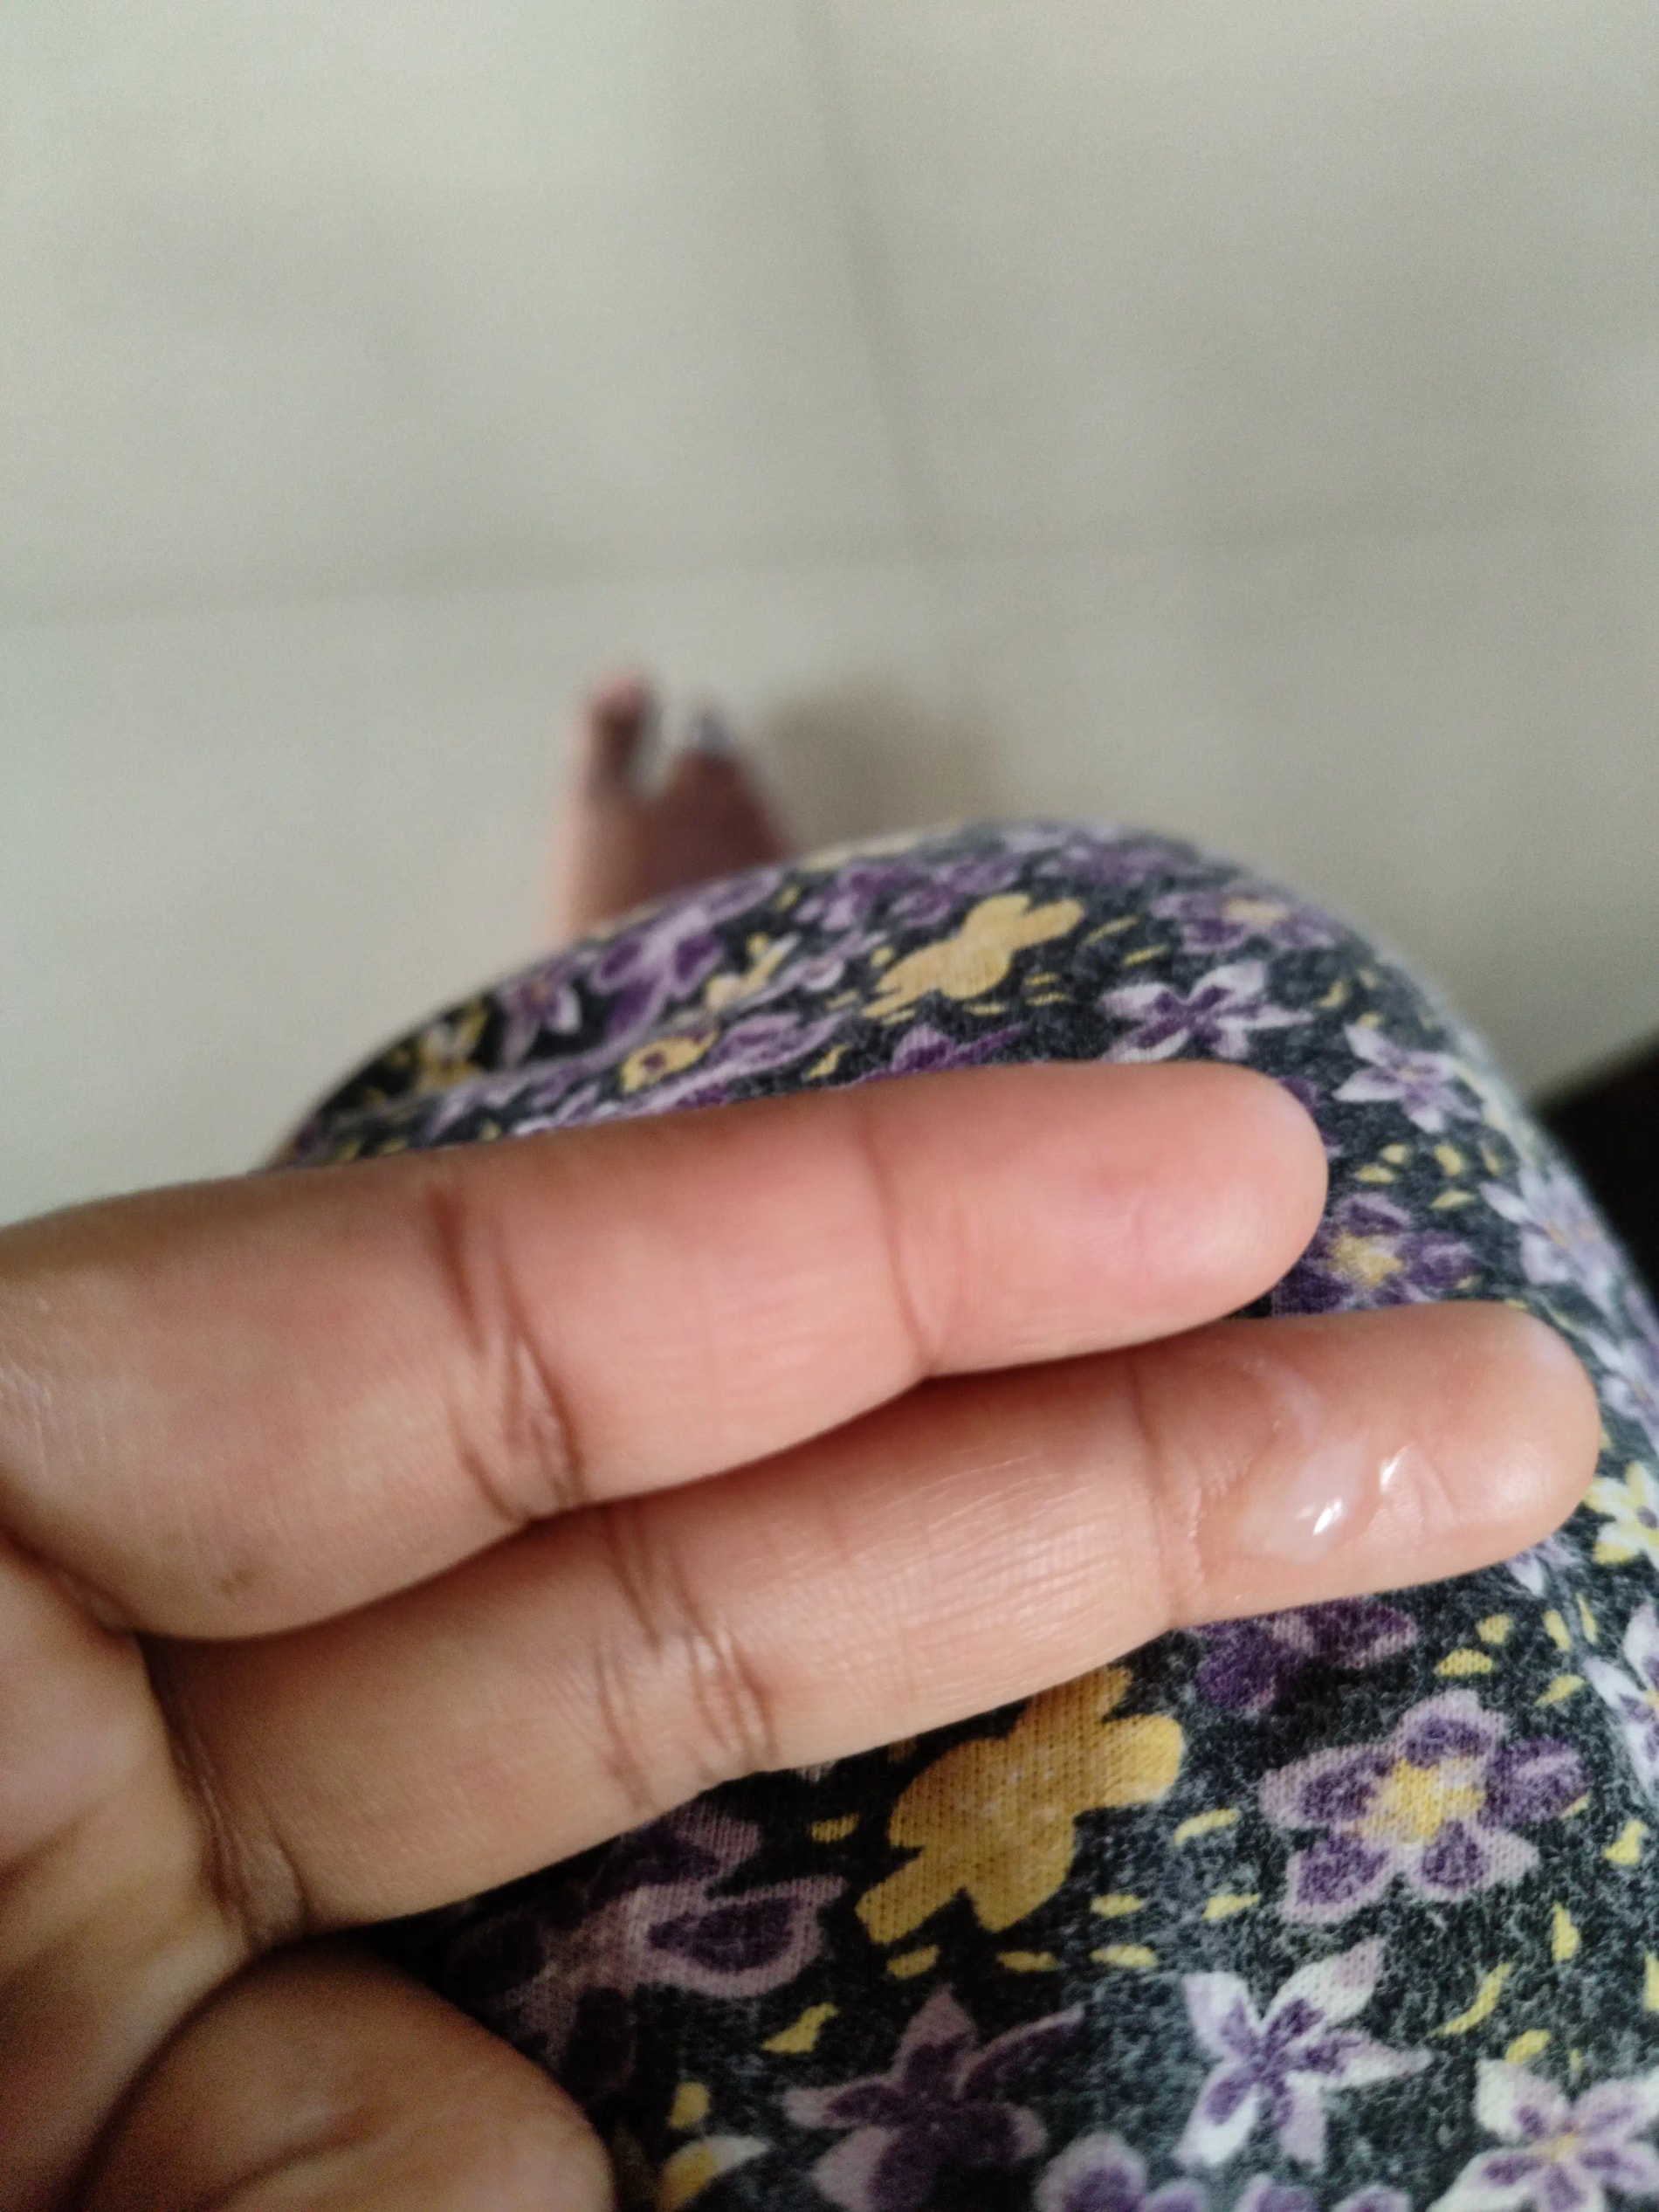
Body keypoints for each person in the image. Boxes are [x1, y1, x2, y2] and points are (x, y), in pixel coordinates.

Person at [3, 680, 1649, 2212]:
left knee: (1102, 1063)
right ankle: (700, 1001)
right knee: (1227, 1108)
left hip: (410, 1864)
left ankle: (682, 1008)